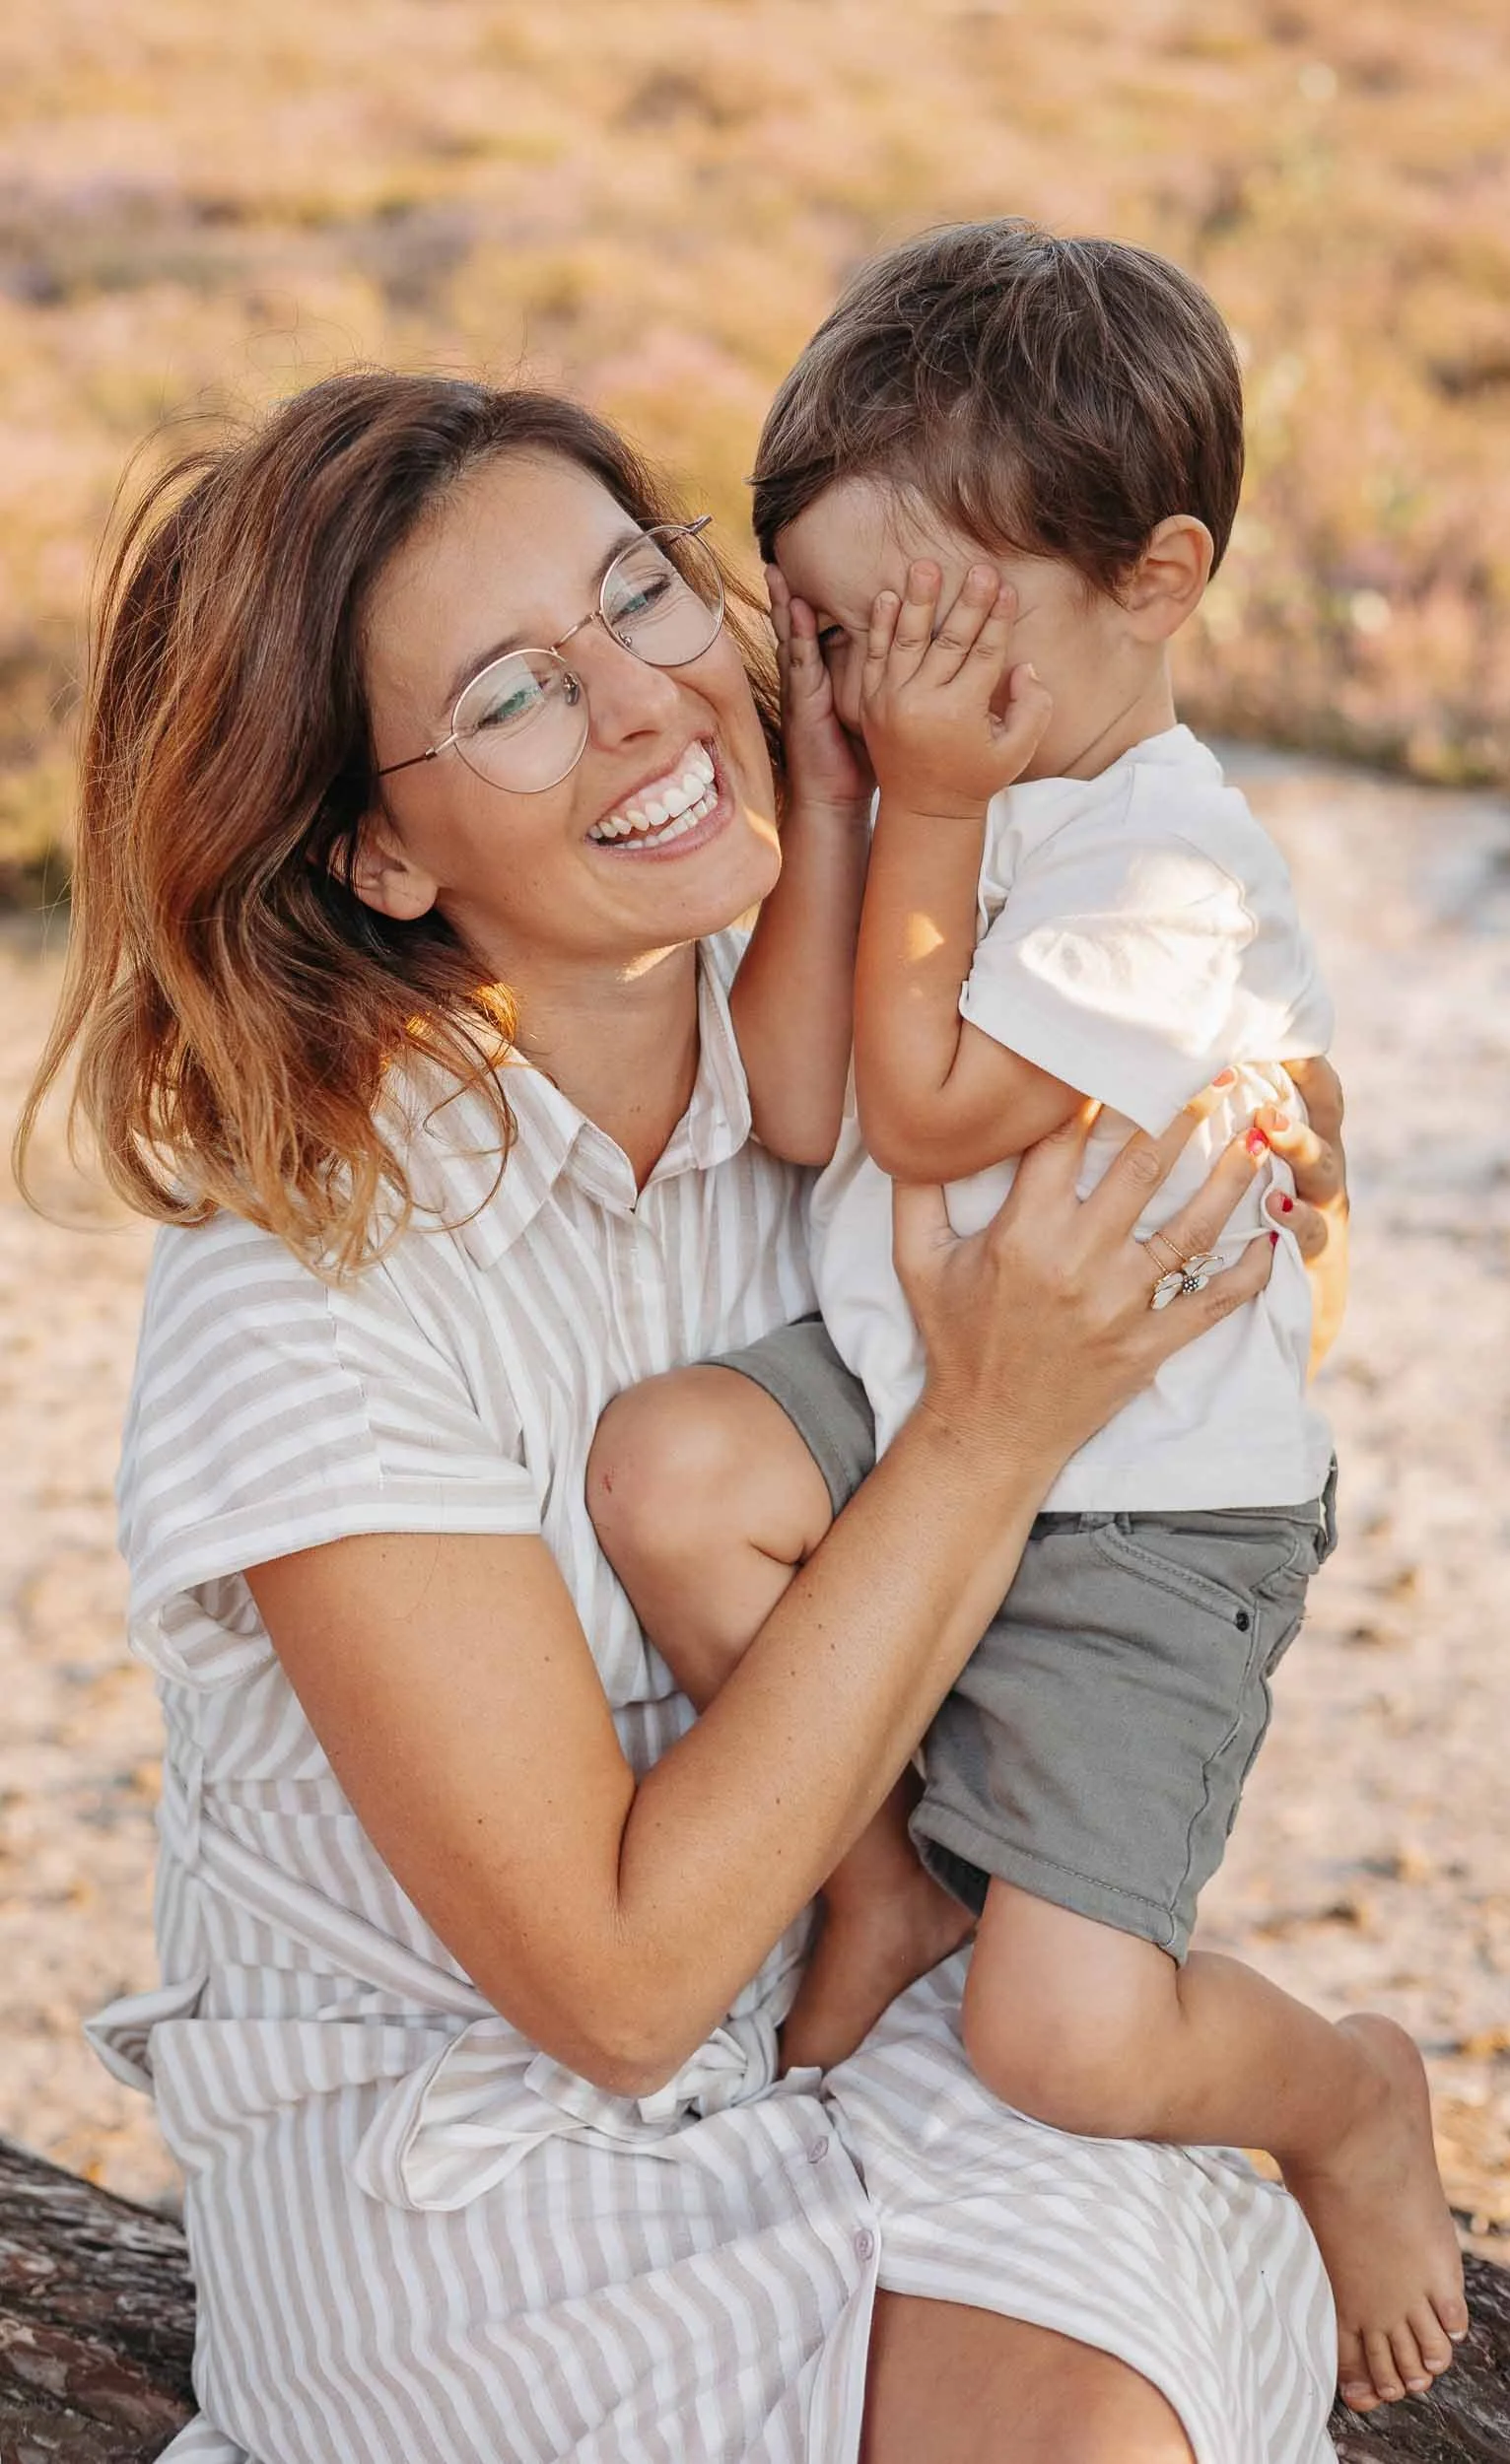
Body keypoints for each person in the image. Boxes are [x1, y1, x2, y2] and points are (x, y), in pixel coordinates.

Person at [18, 369, 1351, 2464]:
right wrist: (980, 1438)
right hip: (484, 2197)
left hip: (882, 2057)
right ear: (374, 844)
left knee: (1111, 2408)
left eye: (639, 593)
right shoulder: (301, 1291)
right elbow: (620, 1988)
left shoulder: (839, 1095)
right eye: (516, 696)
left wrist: (1274, 1147)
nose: (646, 701)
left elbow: (1218, 1303)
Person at [587, 224, 1466, 2421]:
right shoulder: (907, 791)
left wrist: (937, 808)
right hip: (917, 1406)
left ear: (1155, 579)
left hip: (1137, 1520)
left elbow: (925, 1093)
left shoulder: (1170, 867)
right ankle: (875, 1877)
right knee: (669, 1472)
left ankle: (1344, 2095)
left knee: (1059, 2036)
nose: (884, 694)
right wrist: (837, 790)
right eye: (843, 640)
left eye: (939, 636)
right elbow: (799, 1096)